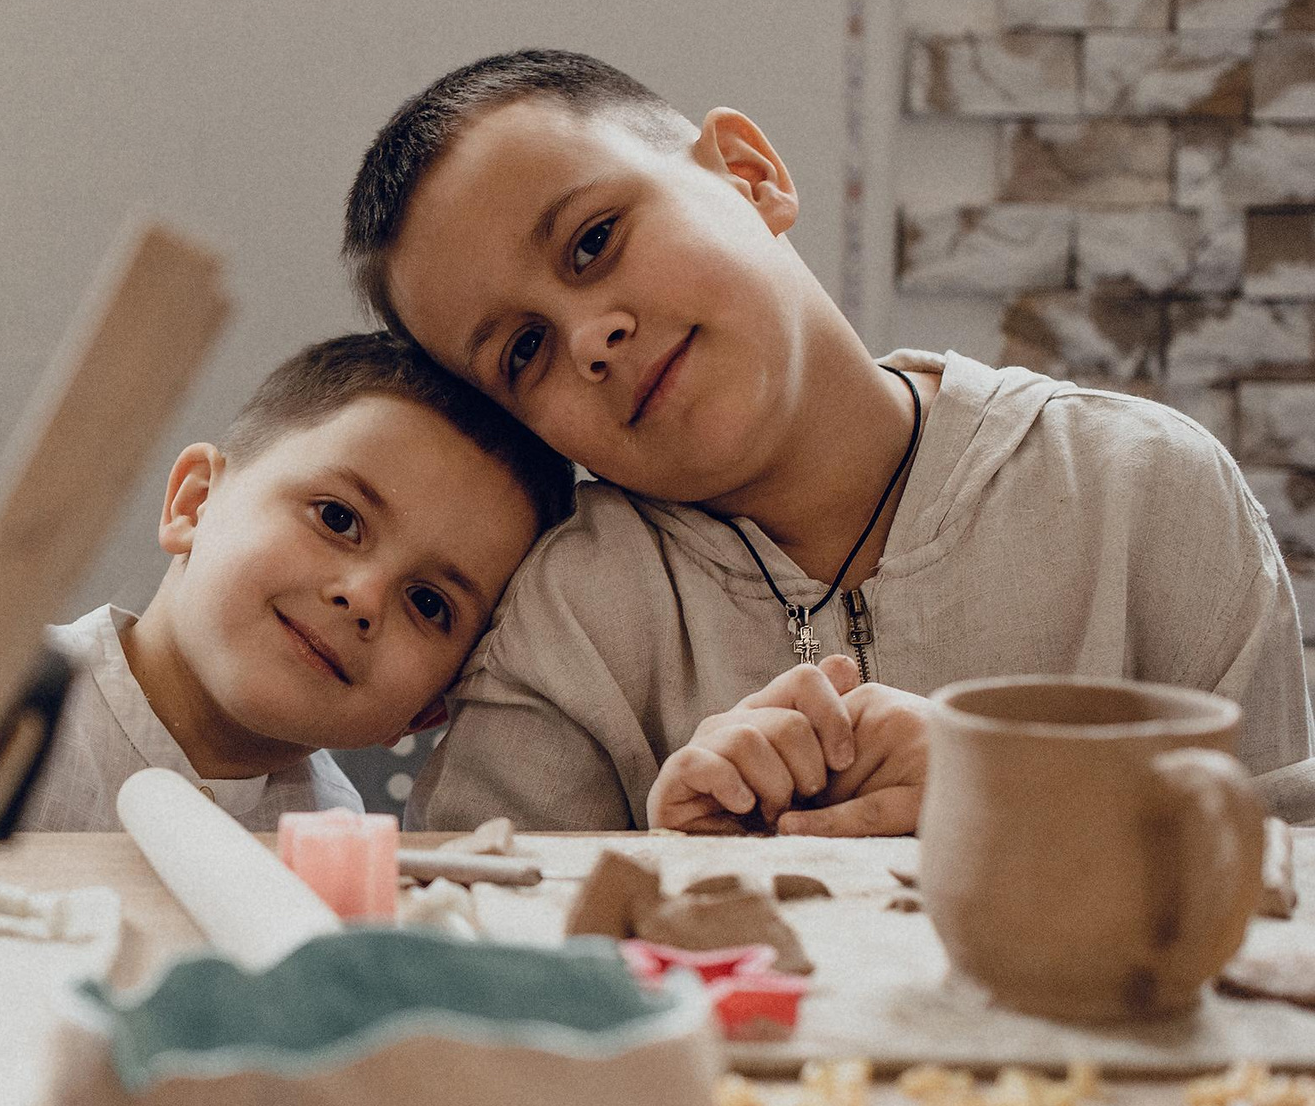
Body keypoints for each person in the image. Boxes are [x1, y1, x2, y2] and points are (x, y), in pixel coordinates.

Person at [341, 48, 1315, 832]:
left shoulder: (1144, 491)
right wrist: (679, 872)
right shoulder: (566, 615)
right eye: (522, 351)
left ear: (748, 175)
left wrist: (1023, 801)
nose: (589, 338)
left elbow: (1289, 886)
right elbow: (481, 945)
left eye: (593, 241)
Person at [0, 331, 571, 830]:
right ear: (194, 502)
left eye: (428, 603)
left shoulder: (329, 835)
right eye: (336, 518)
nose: (363, 596)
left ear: (429, 706)